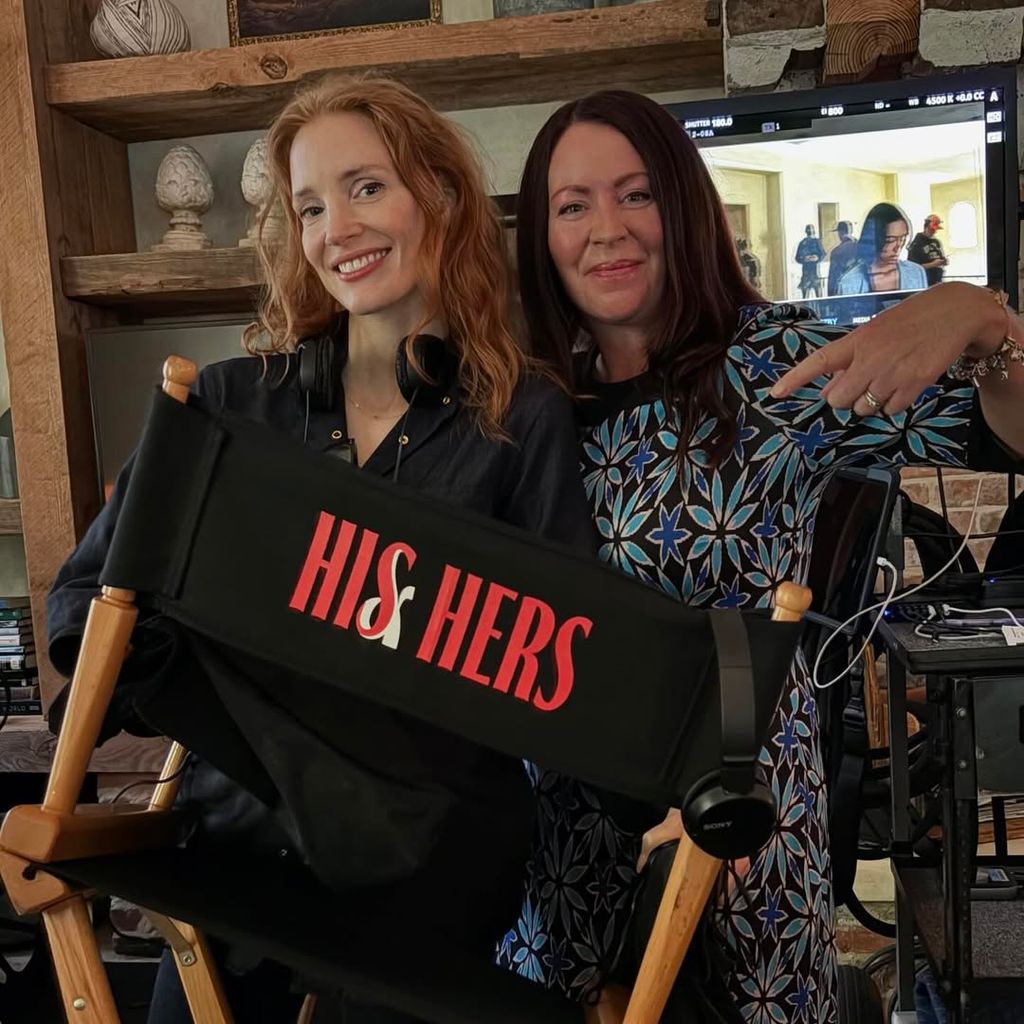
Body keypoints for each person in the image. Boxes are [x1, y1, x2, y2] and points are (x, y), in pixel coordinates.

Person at [46, 75, 596, 1024]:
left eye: (366, 187)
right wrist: (207, 680)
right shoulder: (224, 404)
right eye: (308, 206)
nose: (336, 228)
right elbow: (82, 603)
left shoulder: (523, 417)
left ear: (441, 195)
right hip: (238, 858)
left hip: (429, 876)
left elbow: (564, 665)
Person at [503, 88, 1024, 1023]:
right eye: (572, 204)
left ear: (683, 204)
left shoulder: (769, 363)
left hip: (738, 827)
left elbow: (1005, 434)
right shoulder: (523, 400)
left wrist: (982, 322)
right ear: (542, 236)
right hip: (561, 839)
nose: (606, 229)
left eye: (636, 194)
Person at [837, 202, 927, 295]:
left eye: (903, 239)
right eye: (890, 240)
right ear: (873, 239)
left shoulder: (916, 273)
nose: (898, 247)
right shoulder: (850, 282)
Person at [907, 213, 948, 287]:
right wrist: (933, 264)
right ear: (926, 226)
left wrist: (943, 261)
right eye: (932, 229)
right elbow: (913, 267)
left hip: (937, 281)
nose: (934, 232)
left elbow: (940, 258)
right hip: (924, 283)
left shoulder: (936, 242)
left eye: (935, 230)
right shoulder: (916, 244)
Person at [826, 220, 858, 295]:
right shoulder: (861, 247)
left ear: (840, 233)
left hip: (843, 290)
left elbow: (833, 278)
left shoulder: (837, 251)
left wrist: (830, 295)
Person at [794, 223, 825, 298]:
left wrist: (817, 258)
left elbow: (823, 254)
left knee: (819, 297)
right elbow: (797, 257)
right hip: (806, 274)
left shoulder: (817, 242)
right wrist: (804, 259)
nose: (810, 231)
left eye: (811, 229)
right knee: (805, 297)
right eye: (808, 229)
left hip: (816, 274)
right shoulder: (802, 243)